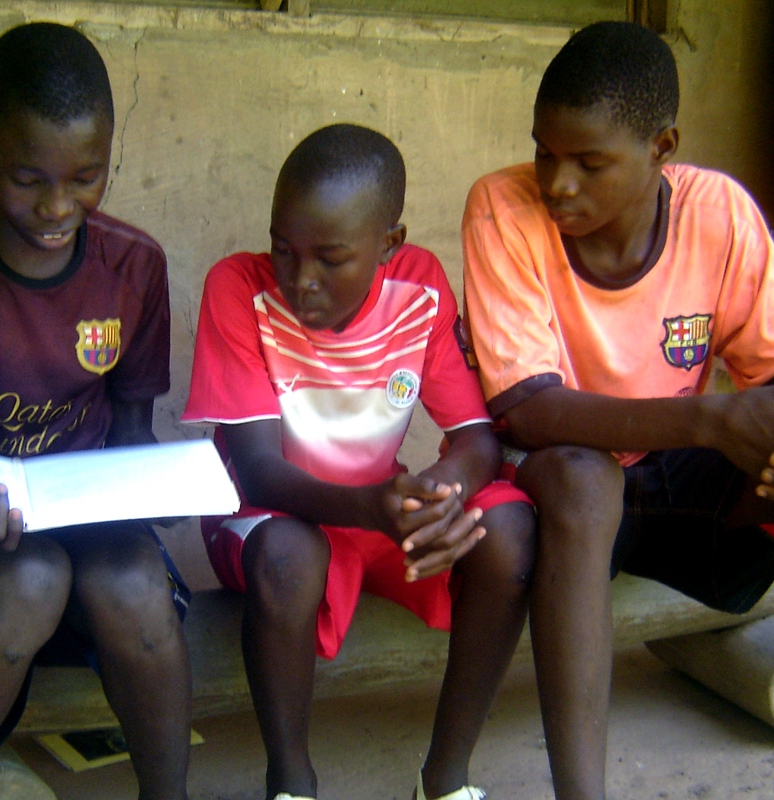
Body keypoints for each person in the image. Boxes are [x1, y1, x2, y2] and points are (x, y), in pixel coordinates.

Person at [460, 21, 774, 800]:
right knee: (583, 481)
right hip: (571, 495)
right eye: (544, 152)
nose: (558, 183)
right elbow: (527, 411)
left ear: (663, 147)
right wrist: (711, 421)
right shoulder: (503, 208)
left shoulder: (716, 210)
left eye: (590, 162)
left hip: (683, 491)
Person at [0, 22, 192, 800]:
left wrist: (147, 503)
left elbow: (129, 434)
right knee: (30, 577)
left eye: (87, 176)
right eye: (26, 177)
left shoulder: (133, 265)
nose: (58, 206)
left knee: (132, 584)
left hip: (82, 507)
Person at [183, 123, 536, 800]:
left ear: (388, 245)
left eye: (330, 258)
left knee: (509, 530)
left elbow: (476, 438)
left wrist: (438, 494)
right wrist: (377, 509)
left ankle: (445, 777)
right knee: (289, 555)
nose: (300, 280)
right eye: (283, 249)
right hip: (272, 517)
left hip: (379, 511)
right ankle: (292, 782)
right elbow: (255, 469)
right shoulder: (239, 289)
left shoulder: (421, 286)